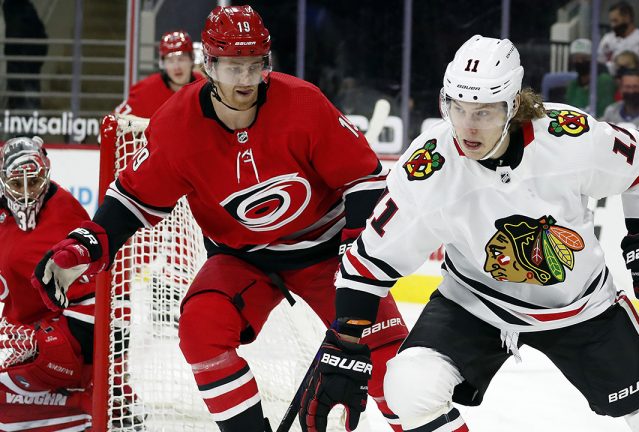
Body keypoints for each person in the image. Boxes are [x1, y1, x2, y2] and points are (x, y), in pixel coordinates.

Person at [300, 35, 639, 432]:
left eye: (483, 112)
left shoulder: (569, 139)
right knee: (409, 385)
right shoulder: (430, 168)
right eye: (457, 108)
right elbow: (369, 260)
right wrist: (346, 341)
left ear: (514, 105)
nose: (467, 126)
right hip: (475, 304)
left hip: (580, 307)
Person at [32, 5, 408, 432]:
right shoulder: (177, 123)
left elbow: (364, 180)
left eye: (255, 65)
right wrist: (86, 244)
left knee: (396, 370)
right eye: (233, 66)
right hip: (242, 260)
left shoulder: (304, 102)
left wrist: (354, 263)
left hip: (327, 254)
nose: (246, 80)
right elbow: (133, 198)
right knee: (201, 328)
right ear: (207, 65)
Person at [0, 136, 94, 432]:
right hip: (23, 333)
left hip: (61, 344)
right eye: (17, 184)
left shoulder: (68, 216)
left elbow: (98, 305)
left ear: (47, 171)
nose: (27, 194)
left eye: (34, 181)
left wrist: (40, 339)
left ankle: (88, 407)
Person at [115, 30, 204, 117]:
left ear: (191, 59)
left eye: (181, 59)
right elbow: (116, 121)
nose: (176, 67)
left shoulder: (204, 87)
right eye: (170, 61)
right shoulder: (145, 91)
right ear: (163, 64)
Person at [3, 0, 48, 110]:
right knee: (26, 106)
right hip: (25, 67)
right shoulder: (21, 9)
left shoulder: (16, 9)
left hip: (23, 66)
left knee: (23, 106)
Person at [597, 2, 639, 75]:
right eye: (611, 21)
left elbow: (631, 63)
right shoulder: (607, 38)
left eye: (615, 21)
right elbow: (599, 62)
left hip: (631, 78)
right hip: (609, 78)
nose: (612, 25)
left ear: (627, 18)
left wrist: (610, 65)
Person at [564, 38, 616, 117]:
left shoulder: (604, 81)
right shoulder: (573, 85)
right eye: (575, 58)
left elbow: (605, 114)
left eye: (584, 58)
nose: (579, 62)